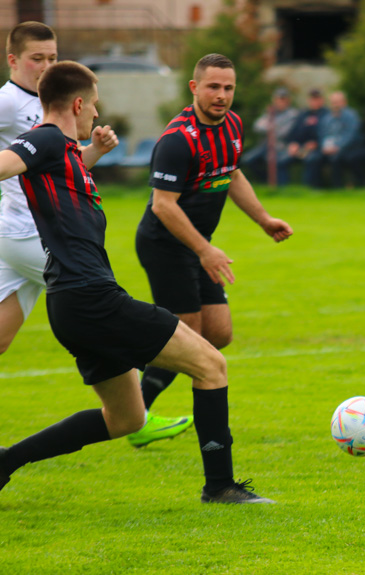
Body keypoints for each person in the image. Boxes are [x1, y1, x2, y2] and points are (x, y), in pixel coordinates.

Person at [0, 60, 274, 503]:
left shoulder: (66, 152)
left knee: (127, 419)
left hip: (71, 305)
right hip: (92, 298)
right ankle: (220, 486)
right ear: (76, 103)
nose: (96, 112)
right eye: (93, 104)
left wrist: (94, 152)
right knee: (211, 366)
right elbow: (11, 160)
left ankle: (4, 462)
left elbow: (52, 175)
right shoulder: (46, 138)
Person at [132, 54, 293, 451]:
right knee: (186, 337)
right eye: (213, 87)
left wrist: (263, 219)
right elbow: (163, 206)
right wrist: (205, 250)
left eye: (228, 88)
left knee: (218, 333)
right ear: (194, 88)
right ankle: (136, 415)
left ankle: (136, 373)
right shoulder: (177, 140)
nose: (221, 96)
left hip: (199, 249)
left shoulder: (233, 125)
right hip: (166, 246)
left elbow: (232, 174)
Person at [0, 22, 124, 354]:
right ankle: (135, 407)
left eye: (52, 58)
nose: (46, 67)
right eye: (36, 58)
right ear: (13, 60)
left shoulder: (50, 106)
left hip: (23, 233)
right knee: (108, 311)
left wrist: (95, 151)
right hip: (30, 234)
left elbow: (59, 168)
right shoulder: (9, 102)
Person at [241, 87, 299, 185]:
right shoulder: (270, 112)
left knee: (276, 161)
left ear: (288, 101)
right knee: (247, 160)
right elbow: (257, 126)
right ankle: (264, 182)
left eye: (283, 99)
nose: (281, 102)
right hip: (265, 145)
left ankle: (282, 187)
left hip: (281, 146)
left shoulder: (293, 114)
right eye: (278, 99)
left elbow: (284, 132)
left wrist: (270, 127)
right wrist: (271, 127)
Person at [305, 90, 360, 189]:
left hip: (346, 149)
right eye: (333, 102)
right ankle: (315, 189)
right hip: (327, 149)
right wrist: (324, 147)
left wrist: (338, 147)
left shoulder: (351, 116)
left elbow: (351, 135)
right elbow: (321, 135)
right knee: (314, 158)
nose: (335, 105)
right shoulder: (327, 118)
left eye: (338, 102)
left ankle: (337, 188)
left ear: (344, 102)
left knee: (336, 159)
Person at [283, 88, 328, 187]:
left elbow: (327, 133)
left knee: (311, 159)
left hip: (318, 148)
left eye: (317, 99)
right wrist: (293, 143)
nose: (314, 101)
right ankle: (283, 188)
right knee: (281, 160)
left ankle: (309, 188)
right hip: (301, 148)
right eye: (312, 99)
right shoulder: (303, 114)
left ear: (322, 100)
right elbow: (293, 132)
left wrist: (316, 144)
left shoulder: (326, 114)